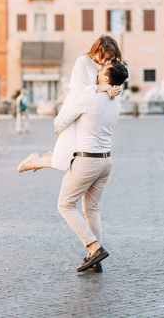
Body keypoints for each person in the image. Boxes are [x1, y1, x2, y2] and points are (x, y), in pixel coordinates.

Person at [55, 60, 128, 272]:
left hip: (87, 160)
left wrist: (60, 128)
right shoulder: (115, 101)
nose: (96, 73)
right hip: (106, 161)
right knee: (92, 209)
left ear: (106, 78)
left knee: (65, 205)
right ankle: (94, 260)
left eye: (101, 71)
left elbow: (61, 121)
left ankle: (94, 247)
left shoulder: (90, 97)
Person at [17, 35, 122, 173]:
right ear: (97, 49)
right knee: (68, 161)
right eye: (103, 57)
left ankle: (42, 159)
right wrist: (104, 88)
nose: (104, 61)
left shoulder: (105, 66)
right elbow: (82, 93)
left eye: (108, 59)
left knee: (74, 160)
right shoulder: (82, 62)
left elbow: (104, 86)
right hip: (75, 110)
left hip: (87, 114)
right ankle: (35, 161)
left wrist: (114, 88)